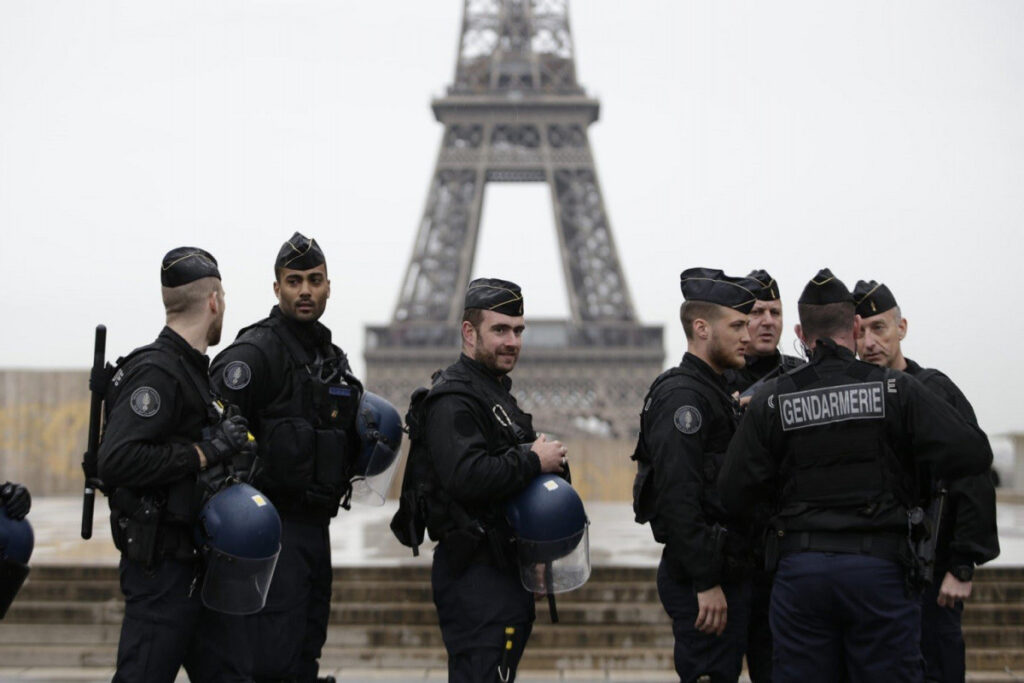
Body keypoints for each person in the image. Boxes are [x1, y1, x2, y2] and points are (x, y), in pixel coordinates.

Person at [718, 268, 993, 682]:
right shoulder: (897, 390)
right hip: (879, 569)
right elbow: (973, 453)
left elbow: (731, 493)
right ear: (856, 325)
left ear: (799, 330)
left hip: (800, 570)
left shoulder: (772, 399)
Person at [97, 247, 252, 682]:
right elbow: (117, 459)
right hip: (162, 573)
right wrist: (204, 452)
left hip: (197, 566)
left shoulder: (190, 371)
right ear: (214, 302)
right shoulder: (159, 373)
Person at [211, 232, 361, 683]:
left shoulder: (331, 357)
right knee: (272, 658)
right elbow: (208, 418)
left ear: (328, 286)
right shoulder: (256, 352)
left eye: (314, 280)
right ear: (277, 289)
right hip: (271, 532)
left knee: (305, 649)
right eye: (294, 281)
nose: (305, 291)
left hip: (316, 527)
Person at [416, 277, 567, 683]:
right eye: (499, 329)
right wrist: (534, 460)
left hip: (500, 570)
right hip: (475, 577)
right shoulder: (454, 398)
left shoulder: (493, 394)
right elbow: (465, 475)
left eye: (518, 330)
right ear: (469, 332)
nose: (512, 341)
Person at [853, 279, 999, 683]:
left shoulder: (934, 391)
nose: (868, 342)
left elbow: (972, 475)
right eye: (859, 331)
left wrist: (963, 565)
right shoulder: (854, 398)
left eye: (878, 328)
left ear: (902, 328)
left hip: (933, 571)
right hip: (877, 571)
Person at [632, 267, 758, 682]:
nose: (748, 333)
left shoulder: (713, 392)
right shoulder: (684, 397)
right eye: (737, 324)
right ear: (702, 328)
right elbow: (678, 495)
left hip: (724, 569)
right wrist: (706, 581)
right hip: (704, 580)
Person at [722, 269, 802, 683]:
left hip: (783, 556)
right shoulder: (713, 382)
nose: (768, 321)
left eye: (775, 311)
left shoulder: (802, 378)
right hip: (731, 556)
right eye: (756, 312)